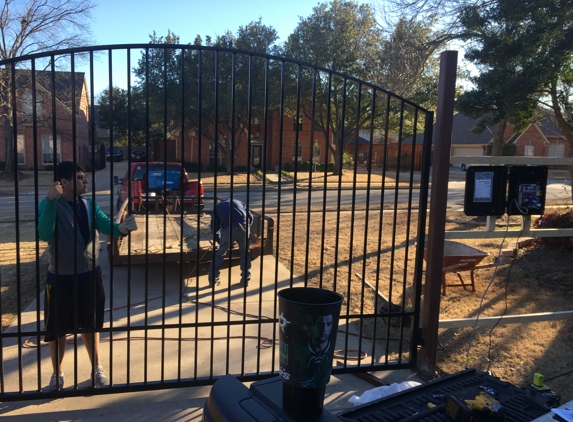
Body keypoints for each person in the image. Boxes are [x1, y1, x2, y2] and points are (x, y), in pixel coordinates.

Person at [37, 161, 138, 391]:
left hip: (90, 276)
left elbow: (104, 225)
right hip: (60, 278)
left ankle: (97, 368)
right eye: (80, 177)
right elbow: (44, 234)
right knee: (58, 329)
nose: (86, 181)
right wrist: (52, 201)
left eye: (85, 176)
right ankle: (57, 374)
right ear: (64, 182)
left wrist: (121, 229)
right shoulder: (49, 204)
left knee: (91, 326)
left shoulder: (89, 204)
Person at [209, 199, 253, 287]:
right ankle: (246, 280)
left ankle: (213, 280)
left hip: (228, 228)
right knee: (245, 253)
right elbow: (250, 217)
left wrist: (218, 239)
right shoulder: (239, 202)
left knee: (220, 253)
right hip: (244, 226)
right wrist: (247, 228)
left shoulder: (218, 207)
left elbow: (214, 226)